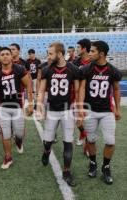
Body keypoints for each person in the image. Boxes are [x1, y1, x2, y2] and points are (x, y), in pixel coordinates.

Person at [78, 41, 122, 185]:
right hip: (90, 110)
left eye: (92, 51)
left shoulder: (113, 70)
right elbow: (82, 88)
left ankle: (106, 166)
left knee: (110, 141)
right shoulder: (86, 69)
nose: (89, 54)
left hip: (106, 111)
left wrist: (117, 108)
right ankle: (92, 163)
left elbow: (115, 89)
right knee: (90, 140)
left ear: (101, 53)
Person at [37, 42, 79, 186]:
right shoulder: (47, 69)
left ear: (60, 54)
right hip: (52, 110)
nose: (48, 56)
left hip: (67, 110)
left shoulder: (73, 69)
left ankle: (66, 171)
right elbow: (42, 90)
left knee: (68, 141)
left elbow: (78, 91)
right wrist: (39, 106)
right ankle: (47, 151)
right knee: (48, 140)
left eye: (50, 53)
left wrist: (79, 110)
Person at [0, 47, 33, 169]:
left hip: (17, 106)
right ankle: (8, 157)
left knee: (19, 134)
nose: (4, 56)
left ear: (11, 56)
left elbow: (28, 85)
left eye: (7, 54)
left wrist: (30, 103)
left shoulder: (19, 69)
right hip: (3, 107)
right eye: (2, 54)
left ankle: (19, 142)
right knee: (6, 134)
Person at [73, 39, 92, 150]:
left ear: (84, 49)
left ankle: (88, 147)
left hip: (90, 96)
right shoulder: (75, 62)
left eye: (79, 47)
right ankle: (82, 133)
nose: (77, 50)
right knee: (78, 122)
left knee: (89, 123)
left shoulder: (93, 62)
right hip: (78, 94)